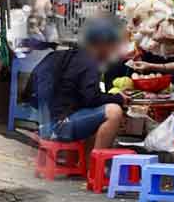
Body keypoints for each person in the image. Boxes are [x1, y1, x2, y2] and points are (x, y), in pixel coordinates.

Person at [47, 18, 126, 150]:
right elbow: (91, 98)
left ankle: (89, 165)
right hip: (61, 124)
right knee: (114, 112)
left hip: (52, 118)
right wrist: (119, 98)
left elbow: (86, 95)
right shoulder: (89, 61)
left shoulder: (77, 55)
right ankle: (97, 167)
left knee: (103, 114)